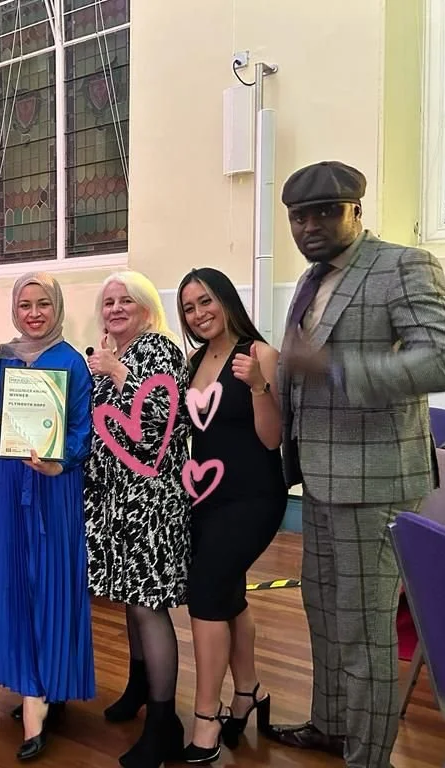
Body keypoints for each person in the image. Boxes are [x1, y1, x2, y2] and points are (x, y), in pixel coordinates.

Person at [269, 161, 445, 768]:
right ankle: (332, 726)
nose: (310, 226)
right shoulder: (311, 279)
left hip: (374, 482)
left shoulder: (402, 265)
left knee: (365, 631)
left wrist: (337, 367)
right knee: (324, 615)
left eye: (326, 212)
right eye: (299, 217)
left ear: (357, 209)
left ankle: (369, 758)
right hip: (320, 477)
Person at [0, 272, 95, 761]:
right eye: (25, 305)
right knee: (20, 582)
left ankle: (49, 685)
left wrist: (61, 459)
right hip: (13, 481)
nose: (34, 313)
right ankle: (32, 689)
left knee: (53, 583)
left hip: (55, 487)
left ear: (56, 307)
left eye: (43, 303)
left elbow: (82, 428)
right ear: (15, 310)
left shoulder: (71, 362)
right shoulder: (5, 358)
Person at [176, 268, 286, 764]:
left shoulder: (259, 354)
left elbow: (271, 440)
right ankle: (249, 691)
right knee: (229, 593)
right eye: (189, 308)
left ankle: (206, 719)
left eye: (205, 302)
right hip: (206, 496)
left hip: (254, 497)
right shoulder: (194, 361)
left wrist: (260, 386)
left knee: (206, 592)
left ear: (226, 299)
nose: (198, 314)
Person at [84, 270, 190, 768]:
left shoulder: (160, 350)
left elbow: (155, 431)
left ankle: (164, 722)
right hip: (114, 500)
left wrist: (117, 375)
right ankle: (139, 686)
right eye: (109, 302)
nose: (116, 308)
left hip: (150, 501)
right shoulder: (112, 354)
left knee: (149, 606)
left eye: (126, 300)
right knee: (131, 601)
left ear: (147, 308)